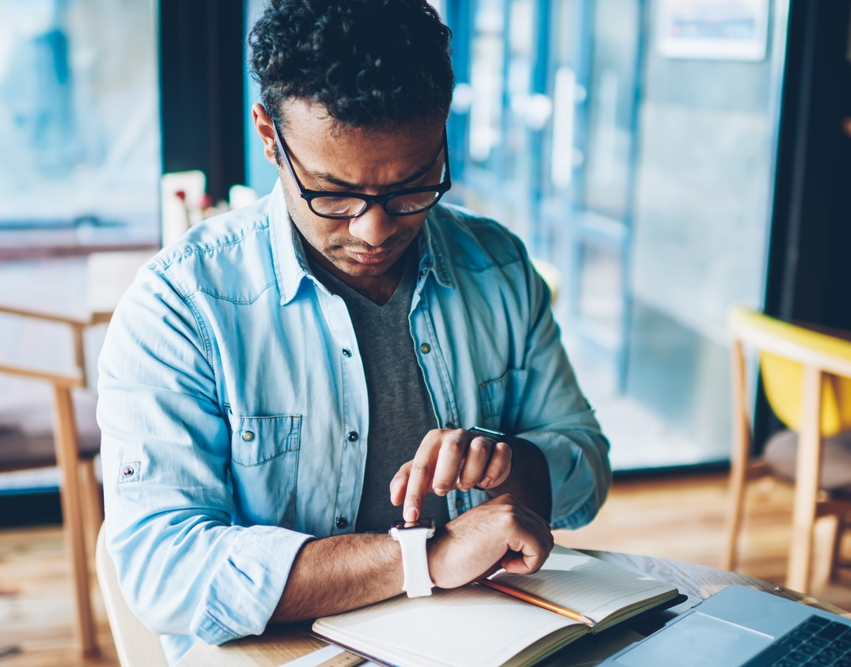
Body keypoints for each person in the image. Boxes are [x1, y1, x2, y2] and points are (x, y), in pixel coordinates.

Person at [97, 0, 611, 662]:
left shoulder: (500, 267)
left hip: (483, 636)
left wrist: (520, 468)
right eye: (334, 195)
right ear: (267, 135)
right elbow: (164, 566)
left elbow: (586, 456)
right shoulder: (179, 306)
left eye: (412, 188)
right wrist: (425, 557)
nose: (375, 232)